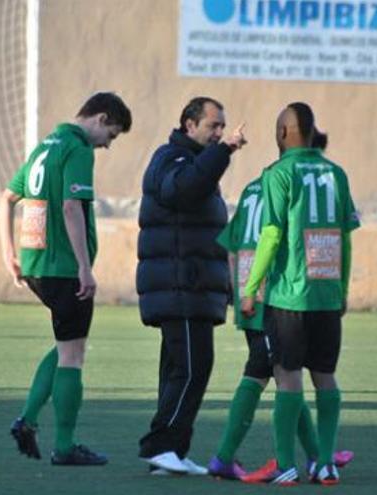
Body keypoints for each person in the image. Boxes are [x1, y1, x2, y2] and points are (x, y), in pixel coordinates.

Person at [208, 129, 353, 480]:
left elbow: (231, 246)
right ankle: (231, 456)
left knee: (275, 372)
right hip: (275, 294)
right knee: (271, 373)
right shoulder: (291, 184)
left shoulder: (253, 188)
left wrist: (240, 287)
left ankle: (317, 455)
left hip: (253, 292)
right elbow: (278, 238)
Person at [0, 92, 132, 465]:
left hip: (37, 264)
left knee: (64, 346)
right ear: (101, 118)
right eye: (112, 135)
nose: (108, 145)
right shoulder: (77, 149)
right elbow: (71, 207)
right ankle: (64, 446)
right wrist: (85, 268)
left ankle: (27, 419)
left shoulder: (45, 147)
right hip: (63, 268)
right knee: (73, 354)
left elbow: (6, 198)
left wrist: (9, 252)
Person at [136, 97, 247, 475]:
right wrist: (224, 152)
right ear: (188, 125)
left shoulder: (196, 164)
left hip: (191, 288)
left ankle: (171, 453)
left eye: (222, 127)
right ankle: (161, 445)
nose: (219, 133)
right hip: (180, 288)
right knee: (193, 367)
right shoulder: (173, 159)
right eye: (213, 126)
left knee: (178, 370)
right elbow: (181, 191)